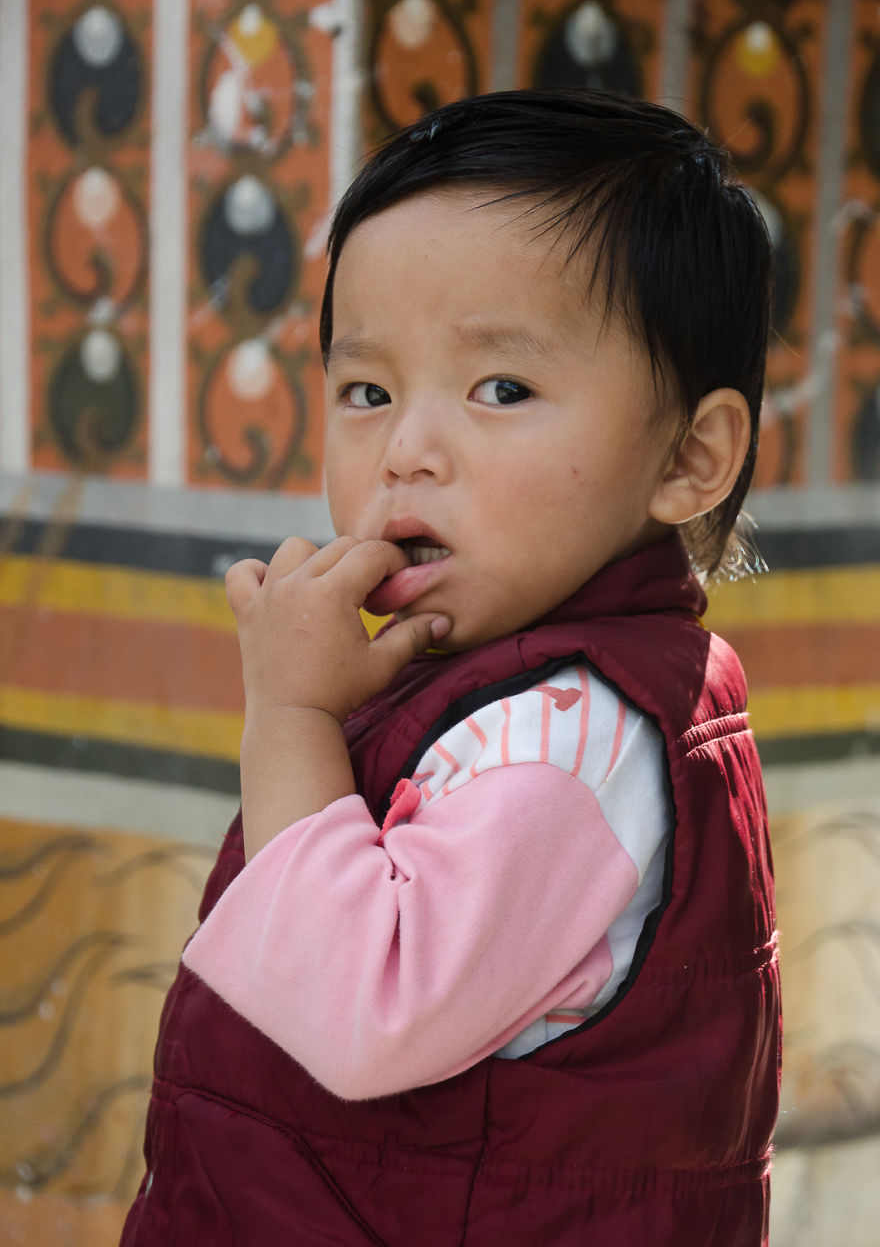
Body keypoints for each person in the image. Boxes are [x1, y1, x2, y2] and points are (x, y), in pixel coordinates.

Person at [121, 89, 780, 1246]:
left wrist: (290, 713)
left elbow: (358, 1004)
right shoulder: (510, 682)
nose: (408, 452)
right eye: (368, 391)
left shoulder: (571, 739)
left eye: (500, 389)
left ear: (688, 456)